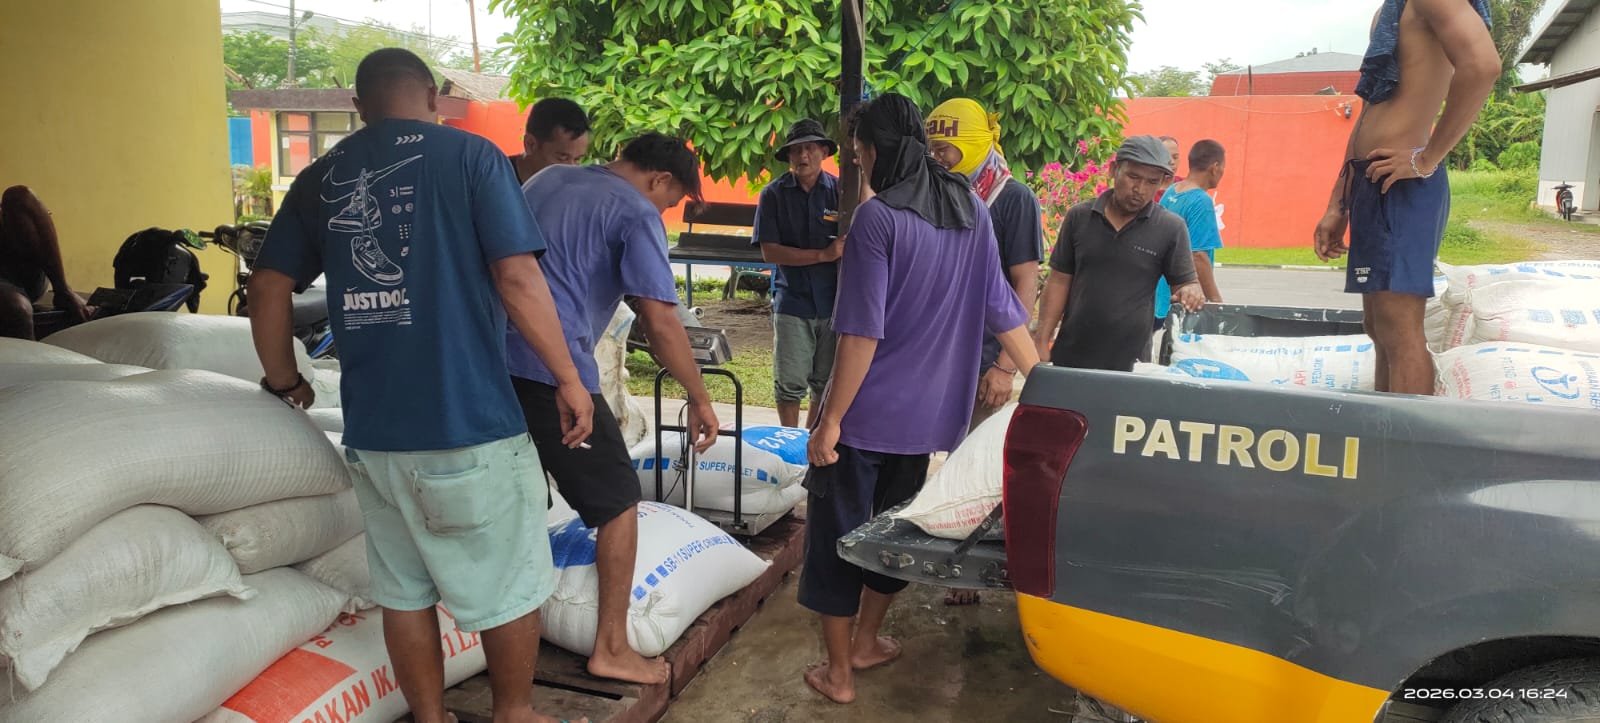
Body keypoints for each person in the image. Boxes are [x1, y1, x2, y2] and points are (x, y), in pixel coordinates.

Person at [249, 49, 592, 723]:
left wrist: (285, 379)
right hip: (469, 423)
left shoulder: (321, 177)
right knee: (508, 583)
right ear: (434, 97)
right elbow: (518, 279)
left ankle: (431, 718)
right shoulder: (474, 159)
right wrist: (569, 377)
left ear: (357, 106)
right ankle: (515, 711)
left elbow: (267, 286)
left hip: (375, 434)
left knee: (404, 592)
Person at [800, 93, 1039, 705]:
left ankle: (839, 674)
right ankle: (867, 642)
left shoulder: (878, 220)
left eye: (856, 153)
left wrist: (828, 423)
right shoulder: (972, 211)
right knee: (891, 536)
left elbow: (859, 335)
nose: (857, 163)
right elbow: (1005, 311)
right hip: (932, 421)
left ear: (875, 150)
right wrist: (1044, 381)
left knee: (836, 541)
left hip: (864, 419)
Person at [508, 132, 720, 685]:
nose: (664, 213)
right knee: (618, 502)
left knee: (514, 500)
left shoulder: (548, 178)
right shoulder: (633, 210)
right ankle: (611, 646)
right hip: (551, 372)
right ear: (659, 180)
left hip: (486, 361)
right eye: (670, 203)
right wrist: (699, 397)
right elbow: (661, 319)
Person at [1314, 0, 1498, 395]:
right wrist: (1339, 202)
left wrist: (1427, 158)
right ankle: (1385, 437)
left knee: (1399, 330)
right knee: (1378, 327)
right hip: (1370, 181)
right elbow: (1369, 113)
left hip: (1403, 184)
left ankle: (1405, 450)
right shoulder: (1390, 10)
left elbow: (1483, 66)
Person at [924, 96, 1042, 607]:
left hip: (986, 356)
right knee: (945, 456)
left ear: (973, 144)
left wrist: (1004, 365)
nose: (939, 156)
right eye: (932, 146)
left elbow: (1024, 284)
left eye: (947, 146)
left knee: (973, 461)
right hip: (941, 350)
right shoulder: (939, 193)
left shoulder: (1011, 199)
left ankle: (965, 572)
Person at [1035, 135, 1207, 372]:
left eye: (1151, 182)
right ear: (1114, 170)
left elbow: (1186, 283)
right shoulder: (1080, 217)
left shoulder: (1170, 228)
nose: (1140, 189)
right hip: (1071, 356)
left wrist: (1191, 291)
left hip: (1132, 364)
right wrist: (1042, 339)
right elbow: (1059, 280)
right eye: (1133, 177)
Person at [753, 119, 843, 429]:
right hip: (793, 300)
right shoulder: (774, 195)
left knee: (825, 381)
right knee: (789, 383)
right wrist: (822, 255)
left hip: (834, 302)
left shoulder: (843, 192)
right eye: (796, 151)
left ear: (823, 152)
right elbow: (770, 251)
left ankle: (811, 440)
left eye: (809, 149)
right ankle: (788, 443)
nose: (803, 157)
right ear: (788, 156)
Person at [1154, 140, 1227, 330]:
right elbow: (1198, 256)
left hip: (1159, 293)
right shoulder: (1201, 201)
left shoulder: (1172, 191)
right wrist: (1216, 302)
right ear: (1215, 167)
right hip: (1182, 297)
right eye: (1223, 168)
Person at [0, 185, 91, 340]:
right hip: (6, 290)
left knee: (19, 195)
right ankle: (32, 362)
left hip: (17, 270)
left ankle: (63, 291)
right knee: (16, 306)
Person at [511, 97, 591, 184]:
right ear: (530, 144)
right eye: (562, 158)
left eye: (577, 159)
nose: (571, 169)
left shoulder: (574, 186)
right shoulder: (497, 180)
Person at [1154, 135, 1184, 203]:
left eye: (1175, 157)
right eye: (1167, 157)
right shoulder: (1148, 191)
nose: (1172, 162)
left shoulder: (1186, 187)